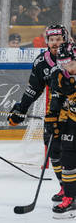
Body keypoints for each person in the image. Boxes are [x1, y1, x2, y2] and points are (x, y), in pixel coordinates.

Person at [7, 24, 69, 204]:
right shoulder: (42, 62)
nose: (55, 43)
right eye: (52, 39)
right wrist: (21, 108)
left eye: (59, 39)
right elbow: (34, 88)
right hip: (54, 111)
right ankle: (66, 187)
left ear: (65, 39)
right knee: (53, 148)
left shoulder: (73, 56)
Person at [45, 42, 76, 218]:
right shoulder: (59, 74)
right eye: (63, 64)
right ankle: (71, 197)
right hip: (71, 119)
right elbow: (56, 100)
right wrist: (53, 121)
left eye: (70, 64)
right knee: (68, 158)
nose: (67, 68)